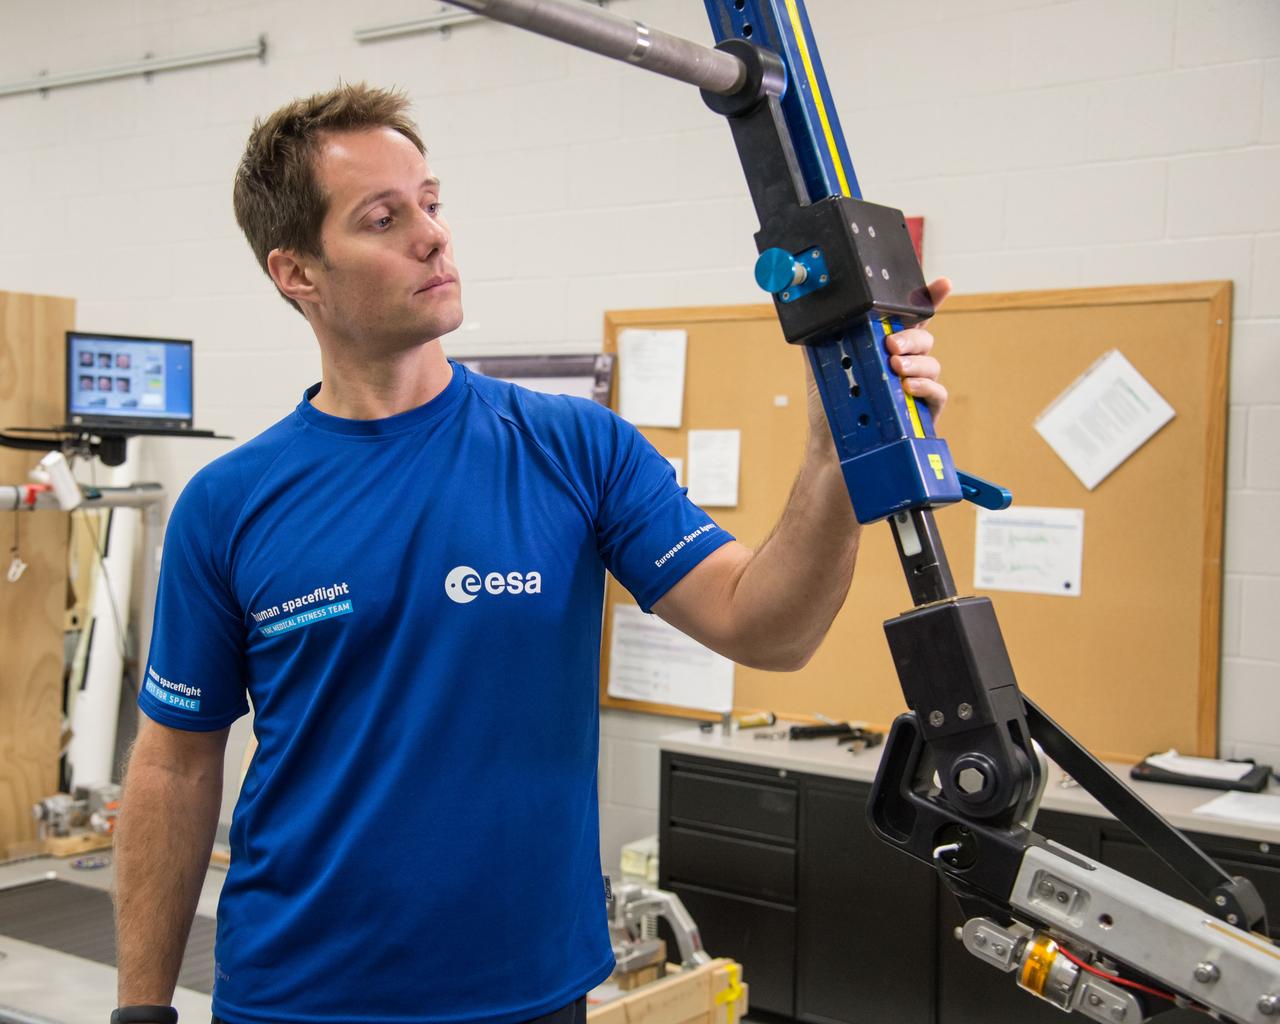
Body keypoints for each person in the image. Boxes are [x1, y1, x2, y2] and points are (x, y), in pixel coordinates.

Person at [112, 83, 949, 1024]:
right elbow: (175, 767)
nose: (433, 236)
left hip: (531, 993)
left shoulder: (575, 448)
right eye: (384, 218)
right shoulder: (229, 504)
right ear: (296, 272)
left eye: (432, 202)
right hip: (301, 994)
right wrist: (142, 1006)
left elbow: (769, 626)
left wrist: (834, 463)